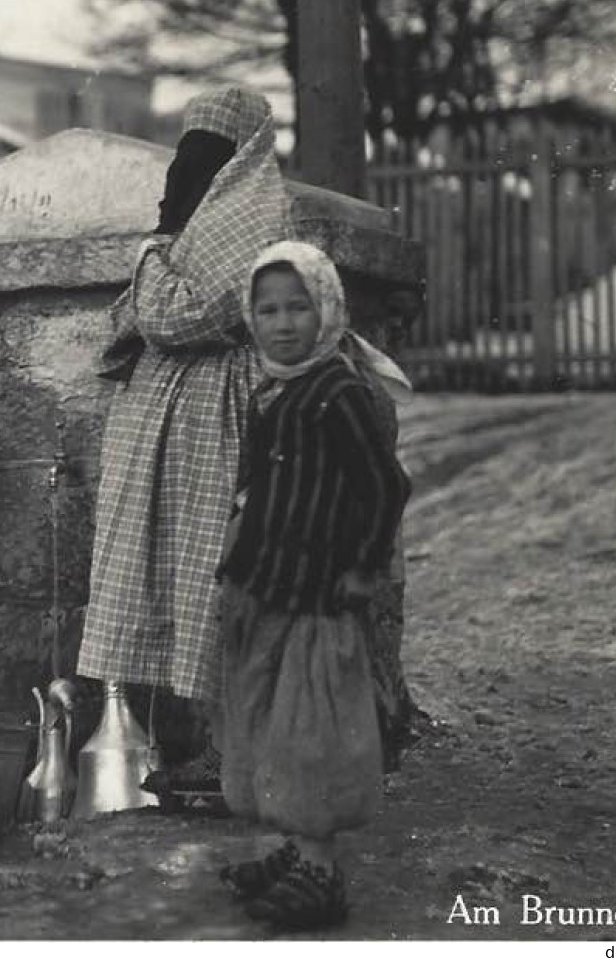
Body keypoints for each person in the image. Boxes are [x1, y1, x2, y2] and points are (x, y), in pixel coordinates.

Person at [79, 86, 294, 790]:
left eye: (207, 157)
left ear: (240, 159)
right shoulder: (189, 229)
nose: (187, 175)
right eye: (187, 156)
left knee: (209, 570)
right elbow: (131, 324)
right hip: (158, 421)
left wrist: (147, 263)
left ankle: (226, 750)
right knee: (155, 565)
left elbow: (176, 317)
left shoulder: (258, 224)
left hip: (214, 415)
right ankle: (176, 744)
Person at [214, 240, 412, 932]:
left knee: (312, 733)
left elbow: (385, 486)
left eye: (298, 306)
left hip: (317, 595)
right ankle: (291, 849)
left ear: (326, 308)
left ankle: (320, 869)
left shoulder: (339, 393)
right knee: (267, 722)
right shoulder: (276, 392)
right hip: (266, 587)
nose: (282, 323)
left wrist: (360, 567)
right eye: (266, 310)